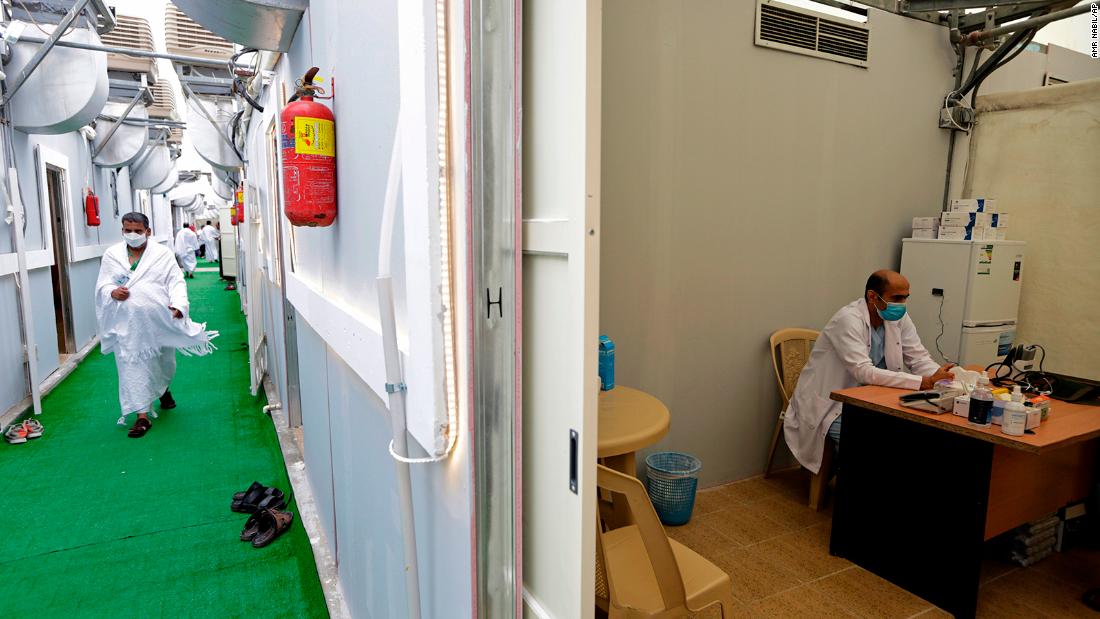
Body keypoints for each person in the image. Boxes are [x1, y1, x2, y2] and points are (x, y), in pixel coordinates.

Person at [783, 269, 956, 473]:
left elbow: (918, 357)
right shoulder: (848, 319)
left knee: (914, 431)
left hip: (875, 398)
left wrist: (946, 377)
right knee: (868, 441)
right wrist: (923, 382)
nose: (902, 305)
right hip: (833, 404)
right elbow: (863, 371)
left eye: (905, 298)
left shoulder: (899, 317)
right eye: (897, 298)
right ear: (872, 296)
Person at [95, 213, 218, 438]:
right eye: (127, 230)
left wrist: (179, 305)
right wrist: (112, 292)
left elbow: (175, 281)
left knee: (164, 361)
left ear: (148, 232)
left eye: (137, 231)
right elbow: (103, 285)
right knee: (131, 364)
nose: (132, 235)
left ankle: (163, 389)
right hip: (128, 325)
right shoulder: (112, 255)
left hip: (159, 321)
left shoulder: (162, 254)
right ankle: (141, 415)